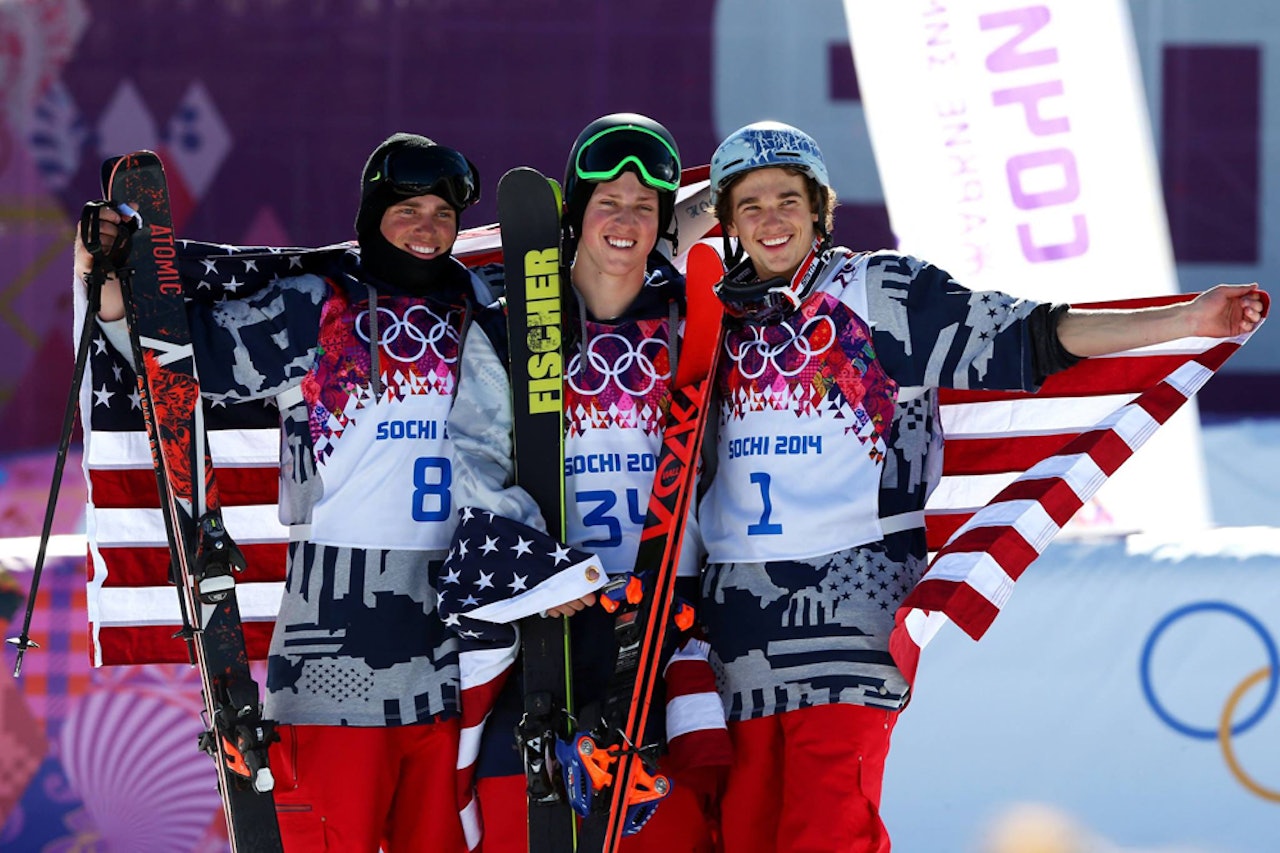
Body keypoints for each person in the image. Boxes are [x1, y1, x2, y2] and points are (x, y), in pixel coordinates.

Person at [694, 120, 1267, 853]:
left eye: (787, 199)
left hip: (851, 606)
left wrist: (1185, 320)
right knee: (741, 826)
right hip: (736, 616)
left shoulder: (878, 291)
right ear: (729, 222)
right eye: (750, 204)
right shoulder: (715, 322)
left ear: (819, 208)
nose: (771, 218)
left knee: (827, 824)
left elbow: (1030, 337)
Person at [74, 133, 591, 852]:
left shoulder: (480, 311)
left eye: (443, 212)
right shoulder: (322, 303)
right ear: (372, 214)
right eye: (408, 208)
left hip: (445, 645)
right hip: (331, 645)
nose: (428, 227)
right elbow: (176, 361)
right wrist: (107, 282)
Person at [441, 113, 726, 852]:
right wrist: (540, 573)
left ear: (665, 223)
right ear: (575, 213)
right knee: (525, 826)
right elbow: (471, 467)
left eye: (644, 206)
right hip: (544, 631)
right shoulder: (507, 328)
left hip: (665, 624)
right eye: (608, 200)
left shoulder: (697, 324)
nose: (625, 220)